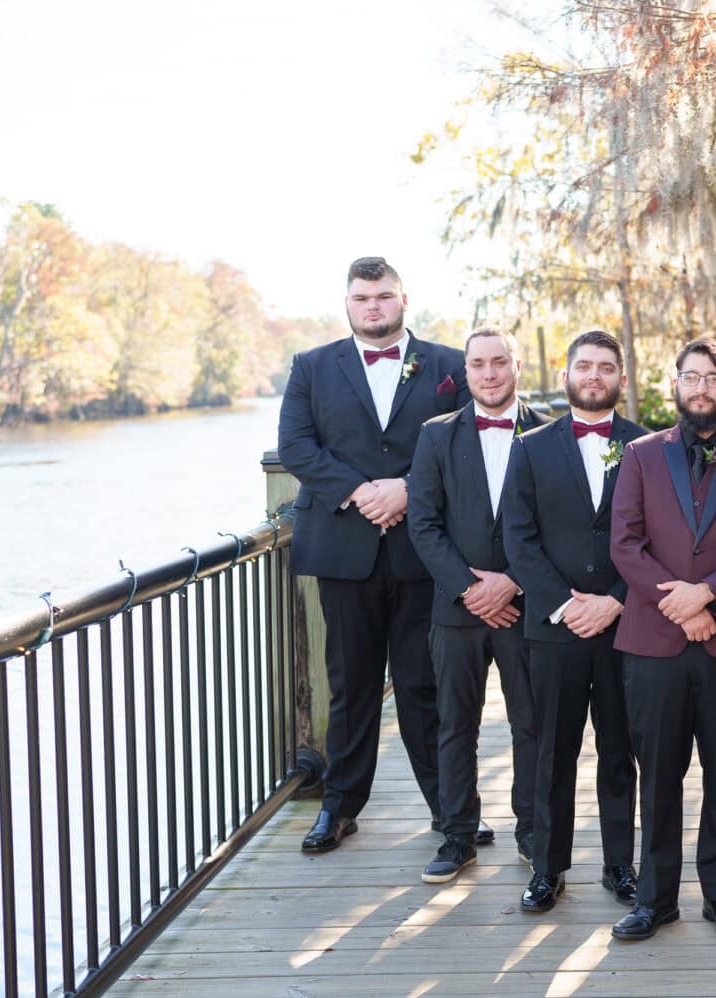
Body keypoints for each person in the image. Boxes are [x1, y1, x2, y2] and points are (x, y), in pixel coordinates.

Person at [277, 256, 469, 854]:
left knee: (423, 684)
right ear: (348, 304)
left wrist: (409, 488)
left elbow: (468, 435)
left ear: (404, 299)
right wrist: (362, 492)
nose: (373, 307)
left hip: (425, 551)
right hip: (344, 547)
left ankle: (450, 809)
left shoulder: (448, 365)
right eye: (362, 299)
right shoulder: (312, 366)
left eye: (383, 296)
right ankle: (339, 806)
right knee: (351, 683)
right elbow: (296, 447)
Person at [607, 337, 716, 942]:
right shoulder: (639, 455)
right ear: (674, 386)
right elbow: (625, 544)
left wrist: (706, 596)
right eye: (691, 377)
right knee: (657, 773)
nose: (701, 388)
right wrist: (679, 605)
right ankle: (654, 899)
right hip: (653, 643)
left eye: (713, 378)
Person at [501, 330, 648, 913]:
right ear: (566, 375)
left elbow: (653, 538)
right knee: (550, 753)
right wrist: (564, 603)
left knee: (620, 749)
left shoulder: (646, 446)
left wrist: (614, 600)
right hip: (552, 629)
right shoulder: (530, 447)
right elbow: (518, 539)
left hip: (624, 626)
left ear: (621, 379)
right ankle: (547, 869)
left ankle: (620, 866)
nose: (594, 376)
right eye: (584, 366)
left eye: (605, 367)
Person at [407, 328, 547, 881]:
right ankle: (457, 833)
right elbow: (423, 522)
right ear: (465, 372)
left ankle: (534, 832)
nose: (488, 374)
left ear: (517, 366)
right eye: (477, 365)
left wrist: (511, 582)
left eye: (498, 363)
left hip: (524, 605)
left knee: (530, 723)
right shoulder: (436, 436)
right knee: (454, 723)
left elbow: (557, 528)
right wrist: (470, 588)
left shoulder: (547, 433)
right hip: (455, 608)